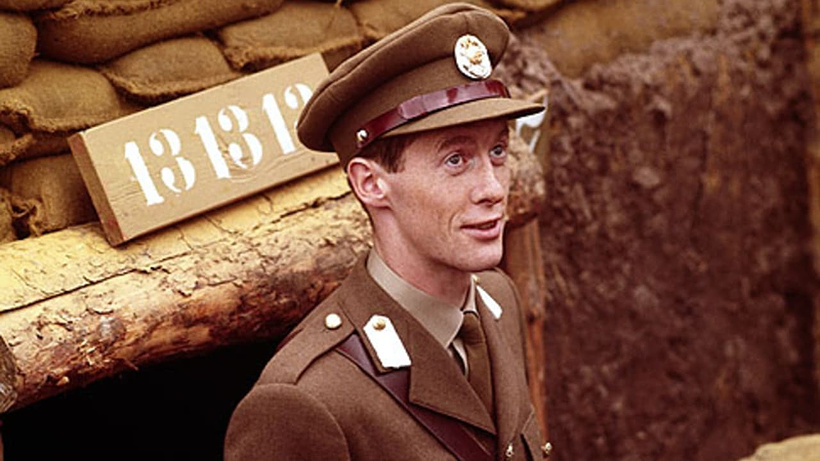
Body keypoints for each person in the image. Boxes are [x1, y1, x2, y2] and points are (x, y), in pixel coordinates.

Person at [224, 3, 549, 460]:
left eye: (497, 151)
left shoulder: (497, 302)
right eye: (456, 160)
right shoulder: (307, 399)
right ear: (371, 184)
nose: (493, 188)